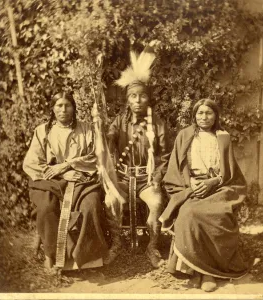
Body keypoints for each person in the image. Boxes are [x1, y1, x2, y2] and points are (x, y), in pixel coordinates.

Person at [159, 99, 249, 292]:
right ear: (194, 115)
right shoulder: (184, 135)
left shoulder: (223, 137)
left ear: (216, 116)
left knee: (217, 214)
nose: (204, 117)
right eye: (200, 113)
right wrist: (191, 185)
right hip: (191, 186)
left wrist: (213, 182)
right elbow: (176, 167)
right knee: (189, 213)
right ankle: (193, 270)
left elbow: (229, 171)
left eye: (209, 113)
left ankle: (209, 273)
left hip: (218, 186)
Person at [23, 91, 108, 271]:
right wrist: (61, 174)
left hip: (82, 179)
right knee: (46, 207)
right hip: (50, 181)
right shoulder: (42, 131)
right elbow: (32, 163)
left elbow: (95, 157)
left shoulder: (86, 129)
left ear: (74, 107)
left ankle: (87, 258)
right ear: (53, 109)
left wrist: (69, 165)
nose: (63, 110)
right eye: (59, 106)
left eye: (67, 105)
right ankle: (50, 256)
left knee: (90, 204)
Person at [104, 43, 170, 268]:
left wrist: (157, 177)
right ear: (127, 100)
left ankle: (152, 246)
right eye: (133, 96)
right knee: (110, 200)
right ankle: (116, 244)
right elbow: (108, 138)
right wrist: (105, 133)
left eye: (142, 96)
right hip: (122, 178)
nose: (138, 101)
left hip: (146, 179)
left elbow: (165, 155)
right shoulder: (120, 122)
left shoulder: (157, 123)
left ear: (148, 99)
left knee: (156, 201)